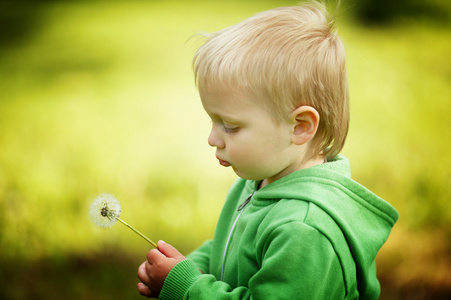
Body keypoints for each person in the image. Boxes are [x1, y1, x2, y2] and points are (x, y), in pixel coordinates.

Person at [137, 1, 399, 299]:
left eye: (231, 126)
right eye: (213, 120)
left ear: (300, 126)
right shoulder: (261, 181)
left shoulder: (305, 229)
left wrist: (188, 288)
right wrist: (188, 266)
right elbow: (228, 248)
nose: (212, 138)